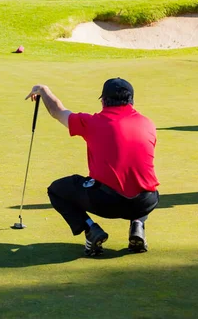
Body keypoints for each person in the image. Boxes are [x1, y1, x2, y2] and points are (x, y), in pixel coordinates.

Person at [25, 78, 159, 257]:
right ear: (132, 101)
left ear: (103, 101)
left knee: (57, 190)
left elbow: (58, 111)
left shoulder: (92, 122)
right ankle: (137, 225)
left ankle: (90, 229)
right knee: (139, 181)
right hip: (145, 202)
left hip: (106, 202)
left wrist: (43, 89)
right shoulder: (148, 124)